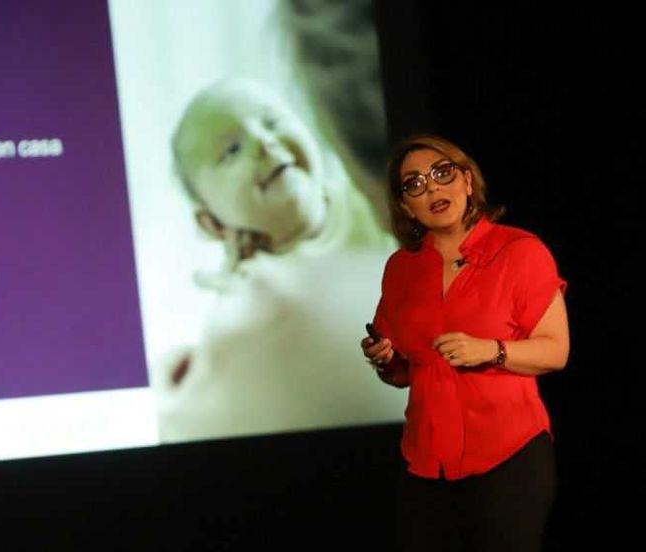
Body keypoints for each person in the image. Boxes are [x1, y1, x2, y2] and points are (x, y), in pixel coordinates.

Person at [155, 78, 404, 442]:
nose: (263, 141)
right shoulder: (249, 291)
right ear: (212, 223)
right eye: (232, 150)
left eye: (272, 122)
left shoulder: (372, 203)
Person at [361, 134, 569, 551]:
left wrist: (491, 349)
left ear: (467, 182)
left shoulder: (519, 251)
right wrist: (385, 360)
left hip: (508, 458)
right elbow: (403, 372)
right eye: (414, 184)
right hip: (426, 463)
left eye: (442, 173)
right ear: (406, 206)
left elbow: (555, 351)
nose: (433, 188)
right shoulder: (402, 269)